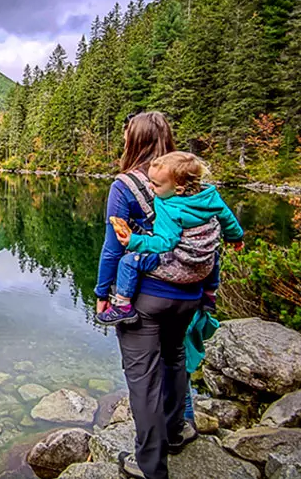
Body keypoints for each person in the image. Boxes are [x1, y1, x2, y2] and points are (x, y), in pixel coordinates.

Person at [94, 112, 208, 479]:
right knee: (174, 359)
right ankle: (176, 432)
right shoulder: (190, 183)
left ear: (136, 140)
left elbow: (114, 247)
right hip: (188, 294)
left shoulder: (125, 184)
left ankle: (151, 466)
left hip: (147, 296)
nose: (124, 139)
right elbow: (213, 235)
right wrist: (208, 289)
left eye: (127, 134)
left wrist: (102, 292)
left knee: (143, 378)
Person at [96, 151, 245, 325]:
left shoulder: (169, 207)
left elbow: (165, 243)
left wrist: (133, 241)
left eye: (155, 184)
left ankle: (123, 306)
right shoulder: (210, 197)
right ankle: (210, 295)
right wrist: (235, 237)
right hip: (203, 268)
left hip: (177, 267)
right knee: (214, 254)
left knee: (129, 261)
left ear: (178, 189)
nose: (150, 186)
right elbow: (228, 219)